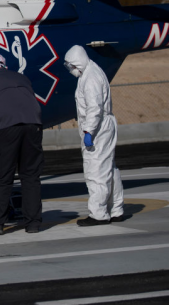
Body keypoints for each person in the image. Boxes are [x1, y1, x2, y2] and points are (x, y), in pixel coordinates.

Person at [0, 53, 44, 235]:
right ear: (4, 66)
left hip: (6, 128)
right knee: (31, 176)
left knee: (2, 178)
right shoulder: (21, 77)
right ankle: (33, 223)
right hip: (34, 125)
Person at [64, 45, 124, 226]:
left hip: (97, 128)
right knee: (109, 169)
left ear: (77, 63)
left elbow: (94, 108)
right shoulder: (93, 71)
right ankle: (116, 209)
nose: (71, 70)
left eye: (71, 66)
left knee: (96, 170)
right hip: (103, 124)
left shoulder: (90, 78)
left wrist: (88, 130)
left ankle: (98, 214)